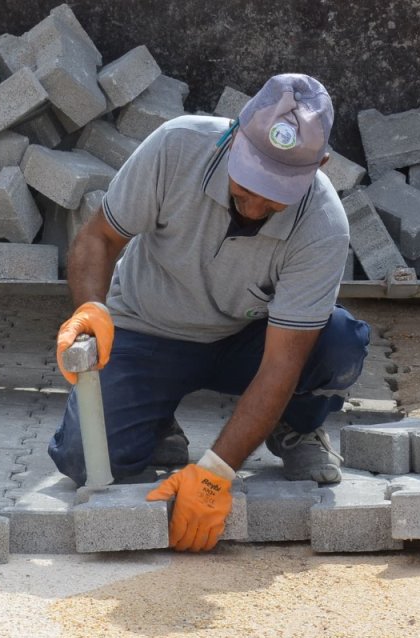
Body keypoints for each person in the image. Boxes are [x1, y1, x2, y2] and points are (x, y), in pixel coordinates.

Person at [49, 73, 372, 553]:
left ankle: (296, 424)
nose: (258, 204)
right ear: (235, 134)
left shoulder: (322, 224)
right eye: (250, 181)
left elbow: (283, 361)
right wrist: (92, 310)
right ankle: (155, 419)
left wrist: (217, 472)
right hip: (147, 328)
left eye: (276, 191)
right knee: (84, 458)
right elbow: (99, 237)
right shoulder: (176, 146)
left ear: (320, 165)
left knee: (338, 343)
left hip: (247, 340)